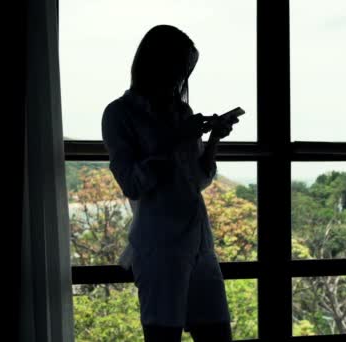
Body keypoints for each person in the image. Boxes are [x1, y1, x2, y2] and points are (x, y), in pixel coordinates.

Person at [101, 24, 239, 342]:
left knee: (218, 334)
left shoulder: (181, 112)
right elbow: (132, 184)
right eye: (179, 69)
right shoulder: (120, 114)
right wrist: (175, 140)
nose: (182, 78)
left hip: (199, 244)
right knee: (163, 338)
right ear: (157, 65)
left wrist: (214, 138)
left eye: (186, 71)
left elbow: (197, 181)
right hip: (160, 246)